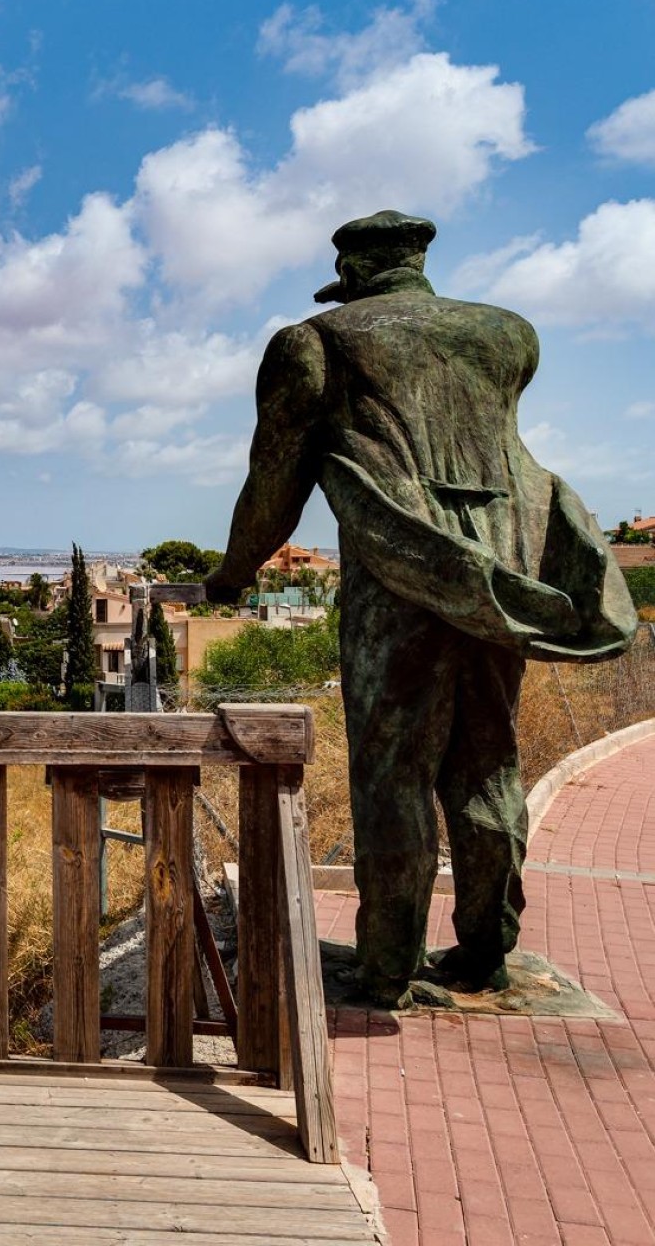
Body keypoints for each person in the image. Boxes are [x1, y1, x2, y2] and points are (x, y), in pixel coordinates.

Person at [205, 210, 636, 1007]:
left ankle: (388, 966)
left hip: (400, 577)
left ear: (351, 274)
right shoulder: (508, 335)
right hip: (501, 580)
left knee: (393, 771)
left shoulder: (314, 344)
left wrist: (232, 572)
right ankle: (485, 953)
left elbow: (275, 482)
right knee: (487, 761)